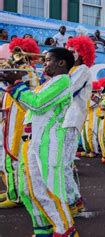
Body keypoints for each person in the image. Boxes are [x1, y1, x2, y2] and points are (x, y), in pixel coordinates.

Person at [2, 47, 77, 236]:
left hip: (47, 144)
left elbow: (37, 103)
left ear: (61, 63)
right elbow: (29, 107)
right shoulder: (48, 83)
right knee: (29, 191)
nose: (44, 63)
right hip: (31, 142)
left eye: (48, 59)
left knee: (47, 190)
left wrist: (18, 84)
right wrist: (12, 87)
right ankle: (43, 230)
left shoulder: (63, 81)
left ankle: (66, 230)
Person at [0, 38, 38, 209]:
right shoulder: (24, 70)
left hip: (19, 120)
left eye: (21, 52)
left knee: (12, 156)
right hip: (11, 117)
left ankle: (15, 196)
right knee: (9, 156)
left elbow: (27, 97)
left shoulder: (26, 72)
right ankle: (12, 190)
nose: (16, 57)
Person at [63, 36, 96, 215]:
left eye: (73, 50)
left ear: (82, 53)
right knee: (62, 163)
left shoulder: (82, 70)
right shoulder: (72, 70)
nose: (70, 53)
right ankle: (74, 200)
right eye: (68, 49)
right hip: (64, 120)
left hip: (71, 120)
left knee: (63, 163)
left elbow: (68, 91)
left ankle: (73, 201)